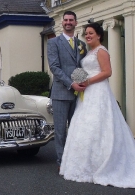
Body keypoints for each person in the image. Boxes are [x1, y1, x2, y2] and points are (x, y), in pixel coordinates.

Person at [59, 22, 135, 188]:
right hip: (87, 92)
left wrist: (88, 80)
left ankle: (102, 163)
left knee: (98, 125)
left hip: (99, 91)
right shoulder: (89, 52)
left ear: (99, 35)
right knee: (85, 126)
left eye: (91, 33)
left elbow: (107, 72)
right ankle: (86, 165)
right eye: (86, 33)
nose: (88, 36)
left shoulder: (101, 51)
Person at [47, 11, 87, 168]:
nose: (68, 22)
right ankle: (62, 162)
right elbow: (55, 68)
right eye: (66, 20)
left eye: (71, 20)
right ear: (62, 23)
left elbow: (83, 66)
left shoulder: (81, 44)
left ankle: (75, 160)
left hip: (79, 94)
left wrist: (84, 83)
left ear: (76, 23)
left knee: (77, 129)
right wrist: (71, 84)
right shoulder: (53, 43)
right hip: (61, 93)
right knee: (61, 131)